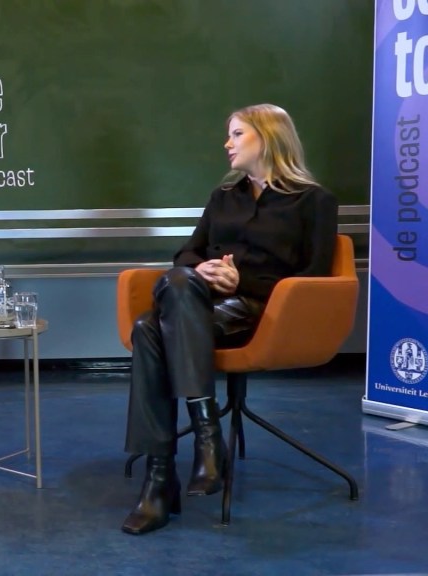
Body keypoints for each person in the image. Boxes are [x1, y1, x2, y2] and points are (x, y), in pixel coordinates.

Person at [121, 103, 337, 535]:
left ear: (268, 138)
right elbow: (186, 253)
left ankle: (160, 482)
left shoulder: (313, 201)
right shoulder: (224, 197)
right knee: (179, 280)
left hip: (263, 313)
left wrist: (242, 281)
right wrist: (201, 269)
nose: (227, 143)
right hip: (201, 305)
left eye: (237, 134)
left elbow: (313, 277)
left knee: (149, 330)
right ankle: (207, 438)